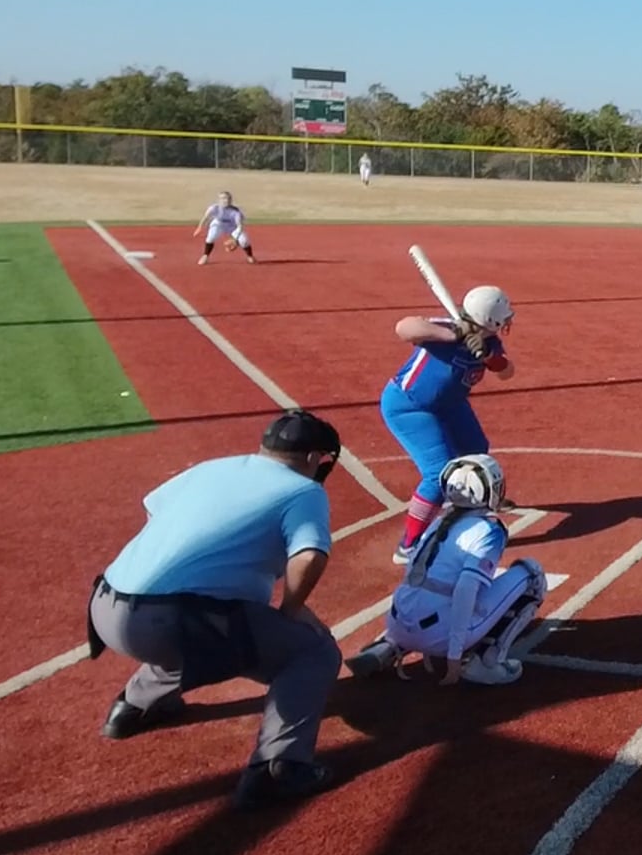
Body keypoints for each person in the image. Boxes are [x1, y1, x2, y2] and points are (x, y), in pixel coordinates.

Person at [85, 410, 344, 810]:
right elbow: (309, 555)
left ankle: (132, 708)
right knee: (313, 651)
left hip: (105, 605)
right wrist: (292, 608)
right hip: (170, 622)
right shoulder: (303, 491)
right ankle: (278, 767)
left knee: (211, 626)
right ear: (313, 458)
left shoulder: (213, 467)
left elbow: (154, 507)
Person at [346, 454, 548, 686]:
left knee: (429, 591)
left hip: (397, 624)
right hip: (437, 635)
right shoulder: (488, 531)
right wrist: (454, 654)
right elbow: (465, 589)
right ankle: (485, 662)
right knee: (533, 574)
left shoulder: (438, 523)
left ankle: (388, 646)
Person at [380, 286, 516, 565]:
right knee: (437, 473)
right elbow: (404, 328)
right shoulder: (444, 329)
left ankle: (466, 507)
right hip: (410, 406)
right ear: (490, 320)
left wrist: (487, 356)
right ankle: (408, 546)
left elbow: (506, 372)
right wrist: (453, 334)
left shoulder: (489, 343)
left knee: (476, 451)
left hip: (450, 404)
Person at [194, 190, 256, 265]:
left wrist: (235, 240)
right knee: (211, 237)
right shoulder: (214, 208)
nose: (226, 200)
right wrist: (199, 227)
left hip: (233, 226)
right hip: (219, 223)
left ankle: (250, 256)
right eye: (223, 198)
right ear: (219, 200)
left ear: (231, 200)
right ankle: (205, 256)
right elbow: (205, 217)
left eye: (228, 198)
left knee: (244, 241)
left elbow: (240, 226)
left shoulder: (236, 211)